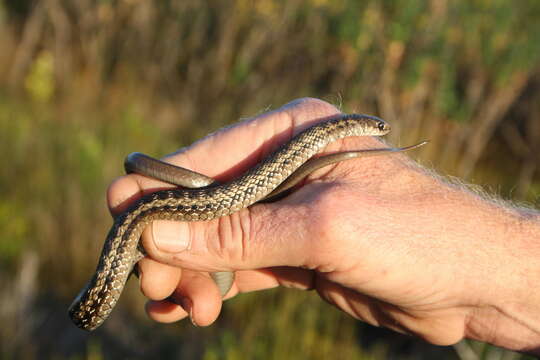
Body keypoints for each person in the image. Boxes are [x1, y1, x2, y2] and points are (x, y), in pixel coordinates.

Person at [108, 98, 540, 354]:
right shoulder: (321, 134)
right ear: (357, 128)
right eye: (378, 130)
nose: (382, 133)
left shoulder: (322, 140)